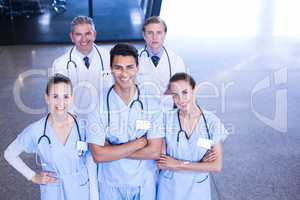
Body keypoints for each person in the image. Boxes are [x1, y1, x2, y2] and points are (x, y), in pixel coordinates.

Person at [87, 43, 164, 200]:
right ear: (110, 68)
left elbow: (155, 152)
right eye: (118, 67)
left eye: (129, 67)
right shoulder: (98, 104)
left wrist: (113, 150)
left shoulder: (152, 104)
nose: (124, 73)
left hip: (144, 183)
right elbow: (98, 155)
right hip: (111, 185)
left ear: (137, 67)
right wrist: (138, 143)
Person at [4, 74, 92, 200]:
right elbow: (9, 154)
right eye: (55, 96)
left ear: (72, 98)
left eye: (66, 96)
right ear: (47, 98)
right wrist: (33, 176)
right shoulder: (36, 130)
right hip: (53, 192)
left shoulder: (83, 127)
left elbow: (93, 161)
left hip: (81, 190)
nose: (61, 102)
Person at [156, 73, 229, 200]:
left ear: (194, 90)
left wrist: (177, 164)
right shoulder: (165, 119)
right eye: (175, 95)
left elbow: (216, 166)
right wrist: (199, 164)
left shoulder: (211, 122)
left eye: (185, 92)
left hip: (198, 191)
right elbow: (162, 163)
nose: (181, 100)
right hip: (170, 190)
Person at [52, 15, 112, 116]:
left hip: (104, 117)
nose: (84, 39)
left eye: (88, 33)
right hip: (74, 118)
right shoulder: (60, 64)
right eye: (78, 34)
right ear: (72, 37)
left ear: (94, 35)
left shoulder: (109, 57)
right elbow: (57, 99)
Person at [138, 16, 187, 95]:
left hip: (168, 106)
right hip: (142, 106)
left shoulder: (176, 61)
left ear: (165, 34)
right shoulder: (135, 59)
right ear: (144, 35)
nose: (155, 37)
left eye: (159, 33)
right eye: (150, 33)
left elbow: (182, 89)